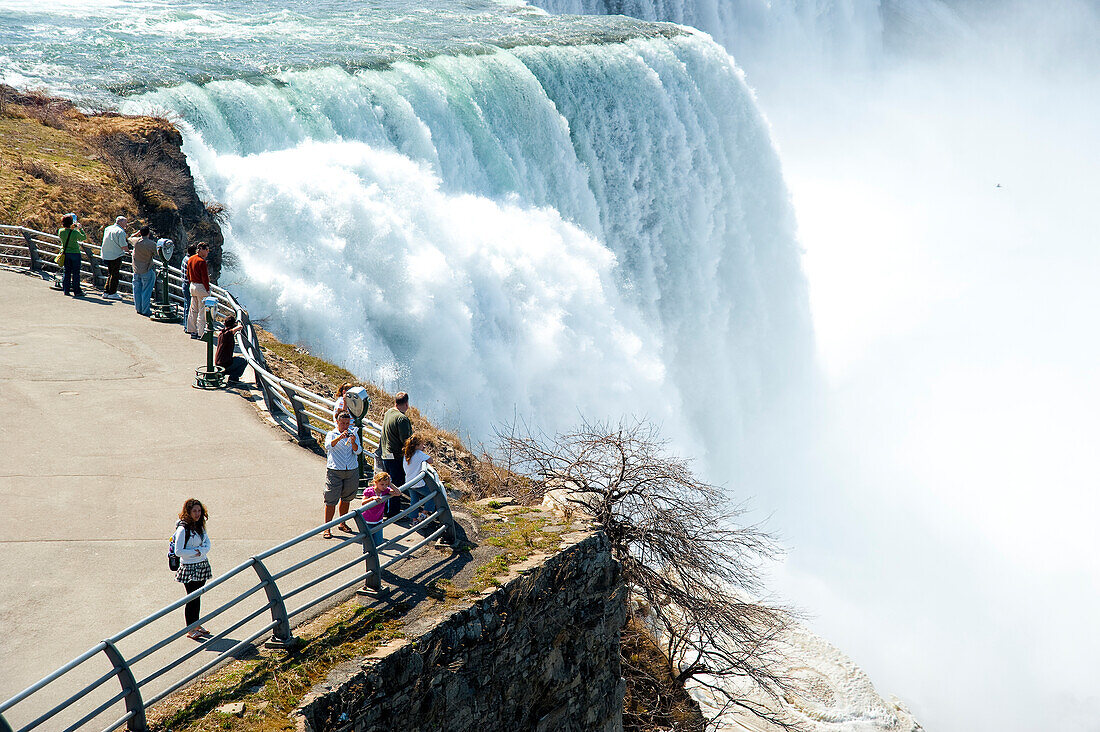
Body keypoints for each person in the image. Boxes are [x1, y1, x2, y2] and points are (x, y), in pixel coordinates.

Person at [173, 498, 212, 640]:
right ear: (188, 512)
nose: (197, 514)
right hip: (189, 567)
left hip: (201, 564)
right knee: (191, 598)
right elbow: (178, 551)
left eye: (199, 511)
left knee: (197, 596)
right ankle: (190, 628)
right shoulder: (183, 529)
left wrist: (201, 551)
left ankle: (196, 624)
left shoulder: (200, 525)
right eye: (194, 511)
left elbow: (207, 543)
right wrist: (197, 551)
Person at [323, 411, 363, 539]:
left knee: (347, 498)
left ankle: (342, 523)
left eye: (347, 423)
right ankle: (326, 528)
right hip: (335, 470)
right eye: (343, 423)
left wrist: (353, 441)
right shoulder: (331, 434)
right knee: (331, 499)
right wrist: (339, 437)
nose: (346, 426)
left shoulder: (354, 433)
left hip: (351, 469)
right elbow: (328, 446)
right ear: (338, 422)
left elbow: (358, 451)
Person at [381, 392, 413, 518]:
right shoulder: (402, 418)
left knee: (386, 483)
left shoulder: (389, 412)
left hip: (385, 454)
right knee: (396, 485)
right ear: (406, 403)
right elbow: (406, 441)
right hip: (395, 457)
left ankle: (385, 510)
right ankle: (393, 513)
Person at [360, 471, 400, 546]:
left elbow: (398, 493)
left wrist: (390, 484)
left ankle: (375, 555)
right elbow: (363, 502)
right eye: (382, 484)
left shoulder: (385, 491)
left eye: (386, 484)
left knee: (378, 542)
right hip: (367, 520)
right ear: (376, 482)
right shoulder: (369, 491)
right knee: (368, 542)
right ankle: (368, 556)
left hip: (378, 520)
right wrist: (372, 499)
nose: (384, 486)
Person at [402, 432, 436, 523]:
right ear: (417, 445)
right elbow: (430, 460)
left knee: (414, 502)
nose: (423, 445)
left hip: (409, 482)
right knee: (432, 495)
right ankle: (424, 514)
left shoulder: (407, 454)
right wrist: (422, 451)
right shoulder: (419, 453)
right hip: (418, 483)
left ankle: (414, 520)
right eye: (422, 444)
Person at [128, 225, 157, 315]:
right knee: (146, 291)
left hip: (136, 270)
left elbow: (129, 238)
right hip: (146, 270)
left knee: (137, 290)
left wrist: (136, 233)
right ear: (148, 233)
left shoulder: (136, 241)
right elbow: (157, 253)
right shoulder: (152, 244)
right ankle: (145, 310)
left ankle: (138, 308)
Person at [185, 243, 211, 338]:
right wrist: (207, 290)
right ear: (201, 249)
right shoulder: (202, 262)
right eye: (207, 250)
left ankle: (192, 331)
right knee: (202, 310)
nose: (208, 252)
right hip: (200, 287)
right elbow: (204, 278)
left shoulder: (191, 259)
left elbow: (188, 274)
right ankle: (201, 333)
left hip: (192, 285)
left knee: (193, 309)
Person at [99, 215, 129, 299]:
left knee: (110, 273)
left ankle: (106, 291)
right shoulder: (121, 232)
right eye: (125, 222)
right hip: (115, 255)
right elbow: (123, 245)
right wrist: (128, 251)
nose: (126, 224)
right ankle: (112, 293)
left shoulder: (108, 228)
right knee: (115, 274)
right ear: (121, 222)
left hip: (106, 254)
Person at [58, 214, 86, 297]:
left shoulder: (61, 231)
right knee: (76, 273)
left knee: (67, 272)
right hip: (75, 254)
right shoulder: (74, 232)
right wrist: (80, 228)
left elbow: (66, 232)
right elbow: (83, 237)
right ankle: (77, 291)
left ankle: (66, 290)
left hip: (65, 253)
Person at [215, 314, 248, 384]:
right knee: (244, 361)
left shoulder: (222, 332)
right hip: (224, 364)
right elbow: (238, 328)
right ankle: (233, 378)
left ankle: (223, 374)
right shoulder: (227, 334)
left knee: (237, 359)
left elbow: (231, 331)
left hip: (219, 362)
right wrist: (238, 325)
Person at [180, 243, 197, 330]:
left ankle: (186, 325)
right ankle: (188, 327)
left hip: (184, 284)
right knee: (190, 306)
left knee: (187, 305)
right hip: (188, 285)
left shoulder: (185, 258)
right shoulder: (190, 260)